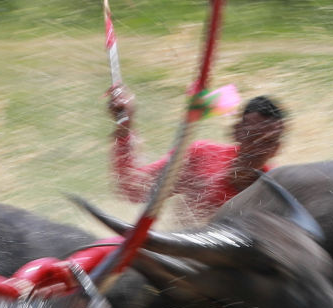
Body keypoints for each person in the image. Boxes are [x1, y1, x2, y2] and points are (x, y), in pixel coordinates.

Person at [107, 85, 287, 220]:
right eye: (252, 135)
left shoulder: (274, 194)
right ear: (236, 131)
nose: (257, 147)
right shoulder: (199, 156)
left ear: (276, 149)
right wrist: (124, 128)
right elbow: (132, 189)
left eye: (267, 142)